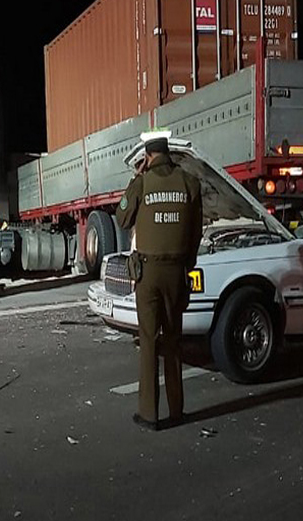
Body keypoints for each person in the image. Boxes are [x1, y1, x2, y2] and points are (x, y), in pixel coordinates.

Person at [116, 135, 203, 430]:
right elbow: (196, 232)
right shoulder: (189, 182)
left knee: (149, 342)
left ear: (147, 157)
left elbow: (122, 218)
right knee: (173, 342)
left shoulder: (142, 183)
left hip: (148, 274)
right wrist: (186, 265)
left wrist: (134, 180)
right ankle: (177, 409)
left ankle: (150, 415)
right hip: (177, 270)